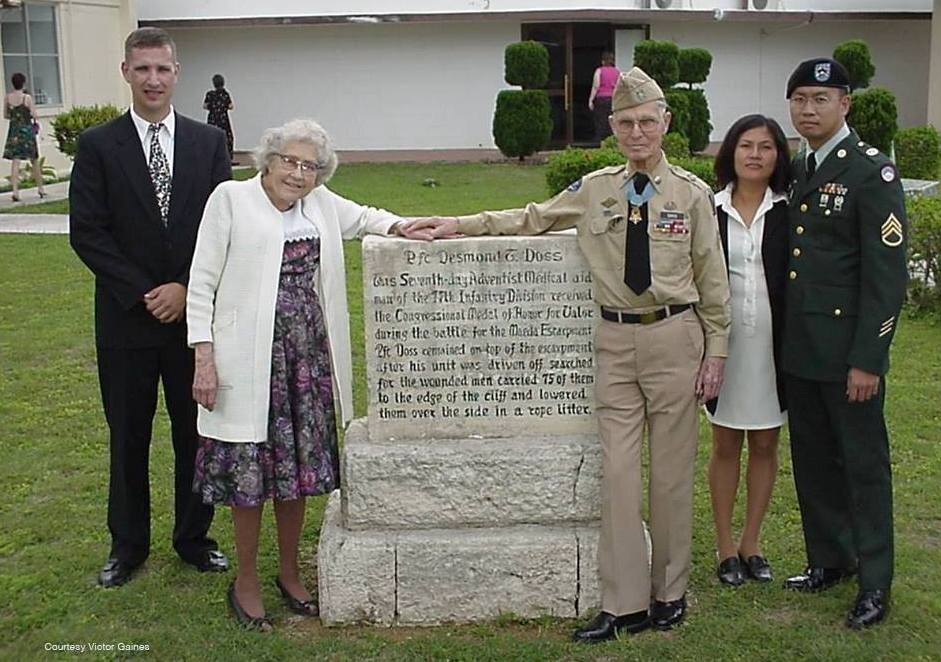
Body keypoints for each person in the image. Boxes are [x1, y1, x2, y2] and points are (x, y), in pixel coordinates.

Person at [407, 66, 730, 643]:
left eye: (647, 122)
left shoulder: (692, 195)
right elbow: (532, 218)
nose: (637, 133)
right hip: (614, 341)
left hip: (674, 339)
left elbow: (713, 279)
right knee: (619, 474)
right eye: (626, 123)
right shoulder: (596, 189)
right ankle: (623, 602)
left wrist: (717, 353)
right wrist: (457, 223)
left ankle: (670, 592)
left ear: (666, 123)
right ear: (612, 127)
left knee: (673, 475)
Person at [187, 118, 434, 631]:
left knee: (296, 473)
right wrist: (203, 357)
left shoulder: (319, 204)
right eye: (290, 161)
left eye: (310, 166)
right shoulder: (230, 199)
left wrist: (406, 225)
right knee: (250, 476)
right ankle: (247, 580)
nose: (298, 174)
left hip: (304, 361)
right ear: (269, 160)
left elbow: (368, 217)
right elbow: (201, 281)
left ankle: (289, 572)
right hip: (246, 360)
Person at [69, 27, 233, 589]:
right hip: (126, 321)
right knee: (128, 436)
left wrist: (186, 288)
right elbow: (88, 233)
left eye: (162, 69)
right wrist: (147, 291)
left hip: (194, 320)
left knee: (195, 433)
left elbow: (222, 228)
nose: (153, 80)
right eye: (142, 70)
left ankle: (194, 538)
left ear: (176, 72)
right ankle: (128, 546)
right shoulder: (97, 146)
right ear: (126, 73)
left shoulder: (209, 143)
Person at [781, 58, 907, 629]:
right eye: (801, 99)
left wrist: (868, 360)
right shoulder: (801, 166)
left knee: (863, 467)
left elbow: (885, 278)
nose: (809, 109)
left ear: (845, 104)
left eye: (821, 99)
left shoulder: (870, 173)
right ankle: (830, 559)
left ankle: (875, 583)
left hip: (849, 356)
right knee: (813, 462)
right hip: (802, 351)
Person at [704, 114, 791, 587]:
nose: (755, 155)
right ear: (731, 153)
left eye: (766, 147)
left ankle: (751, 542)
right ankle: (723, 547)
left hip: (775, 345)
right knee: (725, 442)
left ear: (778, 156)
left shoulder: (789, 209)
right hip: (724, 342)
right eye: (746, 146)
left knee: (765, 441)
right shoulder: (709, 208)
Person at [3, 72, 45, 202]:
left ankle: (15, 191)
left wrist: (16, 117)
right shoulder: (27, 98)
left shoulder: (7, 98)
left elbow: (6, 115)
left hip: (14, 131)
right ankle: (40, 188)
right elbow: (34, 114)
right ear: (23, 83)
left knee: (16, 161)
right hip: (27, 131)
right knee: (34, 160)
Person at [588, 52, 620, 142]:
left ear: (603, 61)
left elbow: (596, 86)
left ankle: (600, 141)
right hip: (613, 99)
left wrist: (591, 100)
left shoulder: (599, 71)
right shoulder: (617, 72)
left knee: (600, 121)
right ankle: (611, 141)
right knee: (611, 121)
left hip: (601, 99)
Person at [203, 74, 234, 160]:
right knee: (227, 137)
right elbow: (231, 106)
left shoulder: (210, 94)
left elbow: (205, 106)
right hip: (223, 119)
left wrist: (212, 107)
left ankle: (211, 155)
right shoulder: (225, 94)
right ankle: (227, 156)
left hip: (213, 118)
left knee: (211, 136)